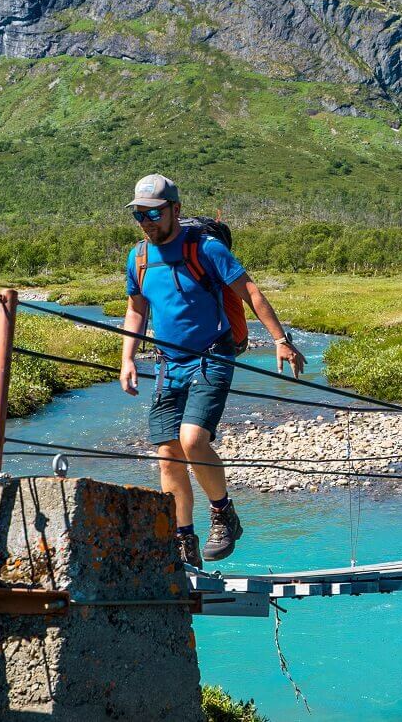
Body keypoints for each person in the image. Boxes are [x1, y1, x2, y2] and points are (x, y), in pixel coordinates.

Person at [119, 174, 306, 567]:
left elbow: (250, 292)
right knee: (167, 453)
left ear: (175, 210)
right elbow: (137, 310)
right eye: (139, 214)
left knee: (191, 440)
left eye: (153, 212)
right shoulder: (138, 257)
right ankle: (183, 538)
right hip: (169, 362)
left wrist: (280, 339)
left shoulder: (206, 248)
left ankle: (223, 513)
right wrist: (127, 358)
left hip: (212, 354)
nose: (147, 221)